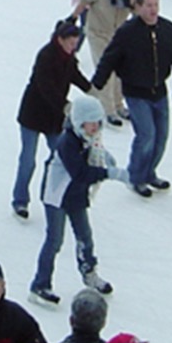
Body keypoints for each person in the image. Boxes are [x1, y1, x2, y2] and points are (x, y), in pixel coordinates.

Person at [91, 0, 172, 197]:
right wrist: (97, 85)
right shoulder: (128, 33)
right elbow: (110, 58)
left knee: (161, 137)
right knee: (146, 135)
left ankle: (149, 172)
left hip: (159, 92)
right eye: (148, 5)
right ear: (138, 8)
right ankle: (136, 176)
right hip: (136, 92)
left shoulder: (169, 30)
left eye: (155, 5)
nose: (153, 9)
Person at [30, 95, 128, 303]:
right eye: (90, 122)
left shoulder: (89, 137)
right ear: (78, 121)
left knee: (85, 236)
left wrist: (105, 158)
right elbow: (81, 172)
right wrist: (110, 173)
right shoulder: (67, 142)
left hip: (76, 194)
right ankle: (40, 285)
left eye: (97, 122)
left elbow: (95, 151)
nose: (95, 127)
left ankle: (89, 273)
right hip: (56, 196)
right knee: (54, 240)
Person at [13, 19, 93, 219]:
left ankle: (54, 195)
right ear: (60, 40)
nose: (73, 47)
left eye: (76, 44)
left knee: (61, 156)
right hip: (33, 114)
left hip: (54, 119)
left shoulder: (69, 59)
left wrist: (93, 90)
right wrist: (65, 105)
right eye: (71, 43)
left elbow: (75, 76)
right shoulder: (46, 56)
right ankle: (20, 200)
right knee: (28, 160)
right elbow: (45, 86)